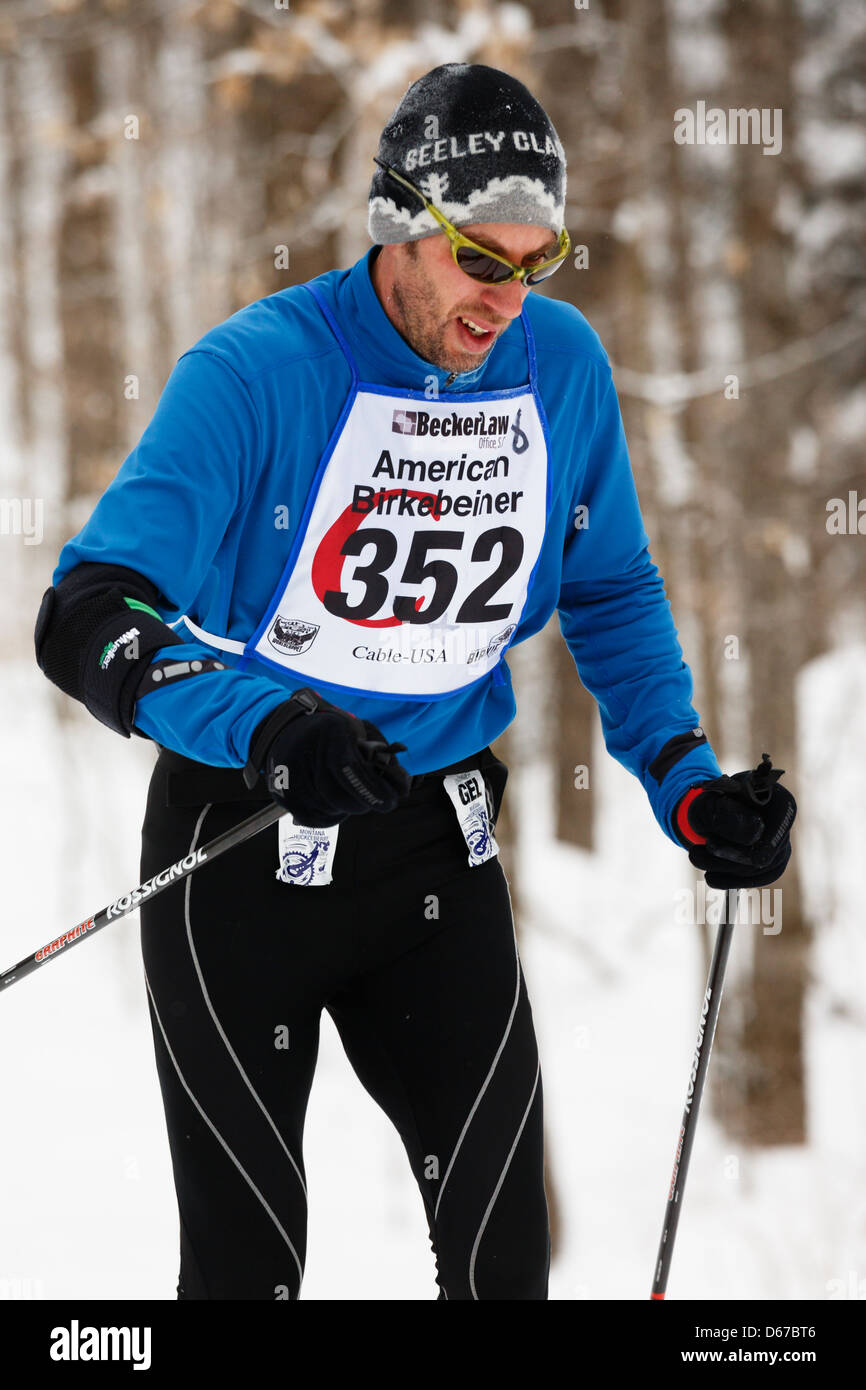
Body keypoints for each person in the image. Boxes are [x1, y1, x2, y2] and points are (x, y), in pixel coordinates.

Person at [34, 62, 794, 1301]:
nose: (507, 298)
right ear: (397, 220)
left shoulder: (558, 369)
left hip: (436, 853)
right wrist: (269, 726)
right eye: (479, 260)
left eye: (537, 262)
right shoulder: (255, 373)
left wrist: (685, 780)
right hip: (244, 845)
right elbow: (93, 613)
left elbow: (605, 589)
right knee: (247, 1270)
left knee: (503, 1267)